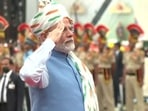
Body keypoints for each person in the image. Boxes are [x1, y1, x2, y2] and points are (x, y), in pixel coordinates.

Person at [19, 1, 99, 111]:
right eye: (62, 30)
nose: (70, 34)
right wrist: (50, 41)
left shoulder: (75, 63)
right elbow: (27, 73)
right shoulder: (43, 65)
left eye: (70, 28)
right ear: (44, 36)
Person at [122, 23, 145, 111]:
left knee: (139, 99)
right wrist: (124, 78)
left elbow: (142, 66)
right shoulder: (126, 51)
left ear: (136, 40)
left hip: (137, 76)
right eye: (130, 39)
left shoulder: (140, 51)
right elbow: (125, 65)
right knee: (128, 99)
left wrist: (142, 79)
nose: (130, 41)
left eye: (132, 39)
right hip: (128, 77)